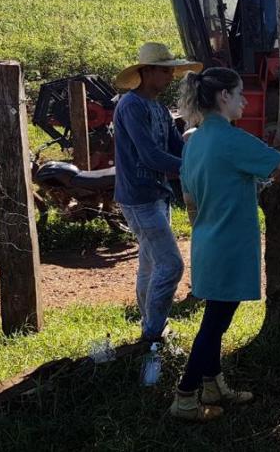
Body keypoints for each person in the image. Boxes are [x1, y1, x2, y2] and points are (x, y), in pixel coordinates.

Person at [170, 67, 280, 421]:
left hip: (207, 243)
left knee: (215, 320)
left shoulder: (195, 139)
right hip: (230, 247)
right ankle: (184, 397)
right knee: (214, 325)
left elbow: (193, 193)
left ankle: (212, 384)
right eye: (239, 94)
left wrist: (245, 188)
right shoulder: (233, 140)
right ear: (223, 97)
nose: (244, 101)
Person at [113, 42, 201, 343]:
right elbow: (150, 156)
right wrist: (194, 169)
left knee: (150, 264)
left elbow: (176, 145)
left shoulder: (159, 108)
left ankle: (150, 327)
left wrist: (201, 153)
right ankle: (153, 334)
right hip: (140, 197)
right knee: (171, 265)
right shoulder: (131, 105)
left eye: (171, 71)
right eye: (164, 71)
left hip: (156, 193)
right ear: (146, 71)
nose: (170, 77)